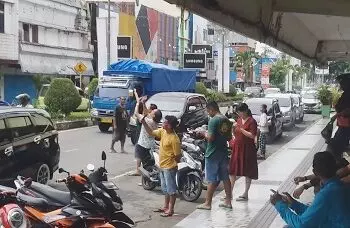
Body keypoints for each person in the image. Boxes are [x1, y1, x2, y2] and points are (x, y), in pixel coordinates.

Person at [270, 152, 350, 228]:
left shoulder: (326, 193)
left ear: (315, 172)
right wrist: (294, 204)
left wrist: (279, 205)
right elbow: (314, 213)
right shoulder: (340, 186)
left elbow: (302, 225)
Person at [141, 115, 181, 217]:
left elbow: (178, 156)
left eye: (165, 122)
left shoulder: (174, 139)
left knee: (171, 190)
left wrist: (172, 163)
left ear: (169, 125)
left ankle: (170, 210)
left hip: (169, 167)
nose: (163, 123)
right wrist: (144, 122)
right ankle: (165, 206)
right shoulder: (163, 132)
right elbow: (151, 133)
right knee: (165, 188)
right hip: (162, 166)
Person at [196, 101, 233, 210]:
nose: (208, 114)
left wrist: (203, 134)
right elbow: (229, 137)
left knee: (212, 179)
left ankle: (208, 203)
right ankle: (228, 201)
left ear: (211, 109)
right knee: (225, 177)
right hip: (223, 152)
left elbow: (211, 138)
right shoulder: (225, 119)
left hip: (212, 153)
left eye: (208, 111)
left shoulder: (213, 120)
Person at [228, 103, 258, 202]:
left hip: (248, 149)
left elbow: (252, 135)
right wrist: (233, 128)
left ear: (245, 111)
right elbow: (235, 133)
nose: (239, 114)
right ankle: (229, 193)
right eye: (238, 112)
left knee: (248, 172)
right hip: (238, 148)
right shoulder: (239, 120)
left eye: (240, 112)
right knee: (233, 171)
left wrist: (241, 129)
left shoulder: (252, 121)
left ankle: (245, 193)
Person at [130, 90, 162, 176]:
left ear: (154, 115)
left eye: (152, 111)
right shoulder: (155, 122)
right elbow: (146, 113)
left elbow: (137, 113)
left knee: (143, 160)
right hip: (150, 144)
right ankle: (145, 176)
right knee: (148, 161)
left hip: (143, 144)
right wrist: (143, 103)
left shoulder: (148, 121)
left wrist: (138, 104)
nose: (150, 111)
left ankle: (144, 176)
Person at [328, 73, 350, 162]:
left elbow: (347, 110)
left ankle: (337, 164)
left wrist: (337, 115)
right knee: (337, 144)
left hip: (346, 126)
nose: (341, 85)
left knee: (336, 146)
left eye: (342, 83)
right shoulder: (346, 93)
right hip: (343, 125)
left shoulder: (348, 94)